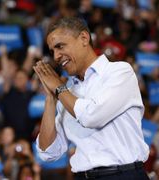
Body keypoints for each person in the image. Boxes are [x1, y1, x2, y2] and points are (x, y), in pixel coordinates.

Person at [33, 17, 149, 180]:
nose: (57, 56)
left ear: (84, 38)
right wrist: (50, 99)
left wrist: (59, 89)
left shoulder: (120, 72)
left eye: (60, 46)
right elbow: (48, 152)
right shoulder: (67, 92)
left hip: (123, 175)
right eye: (52, 51)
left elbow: (91, 116)